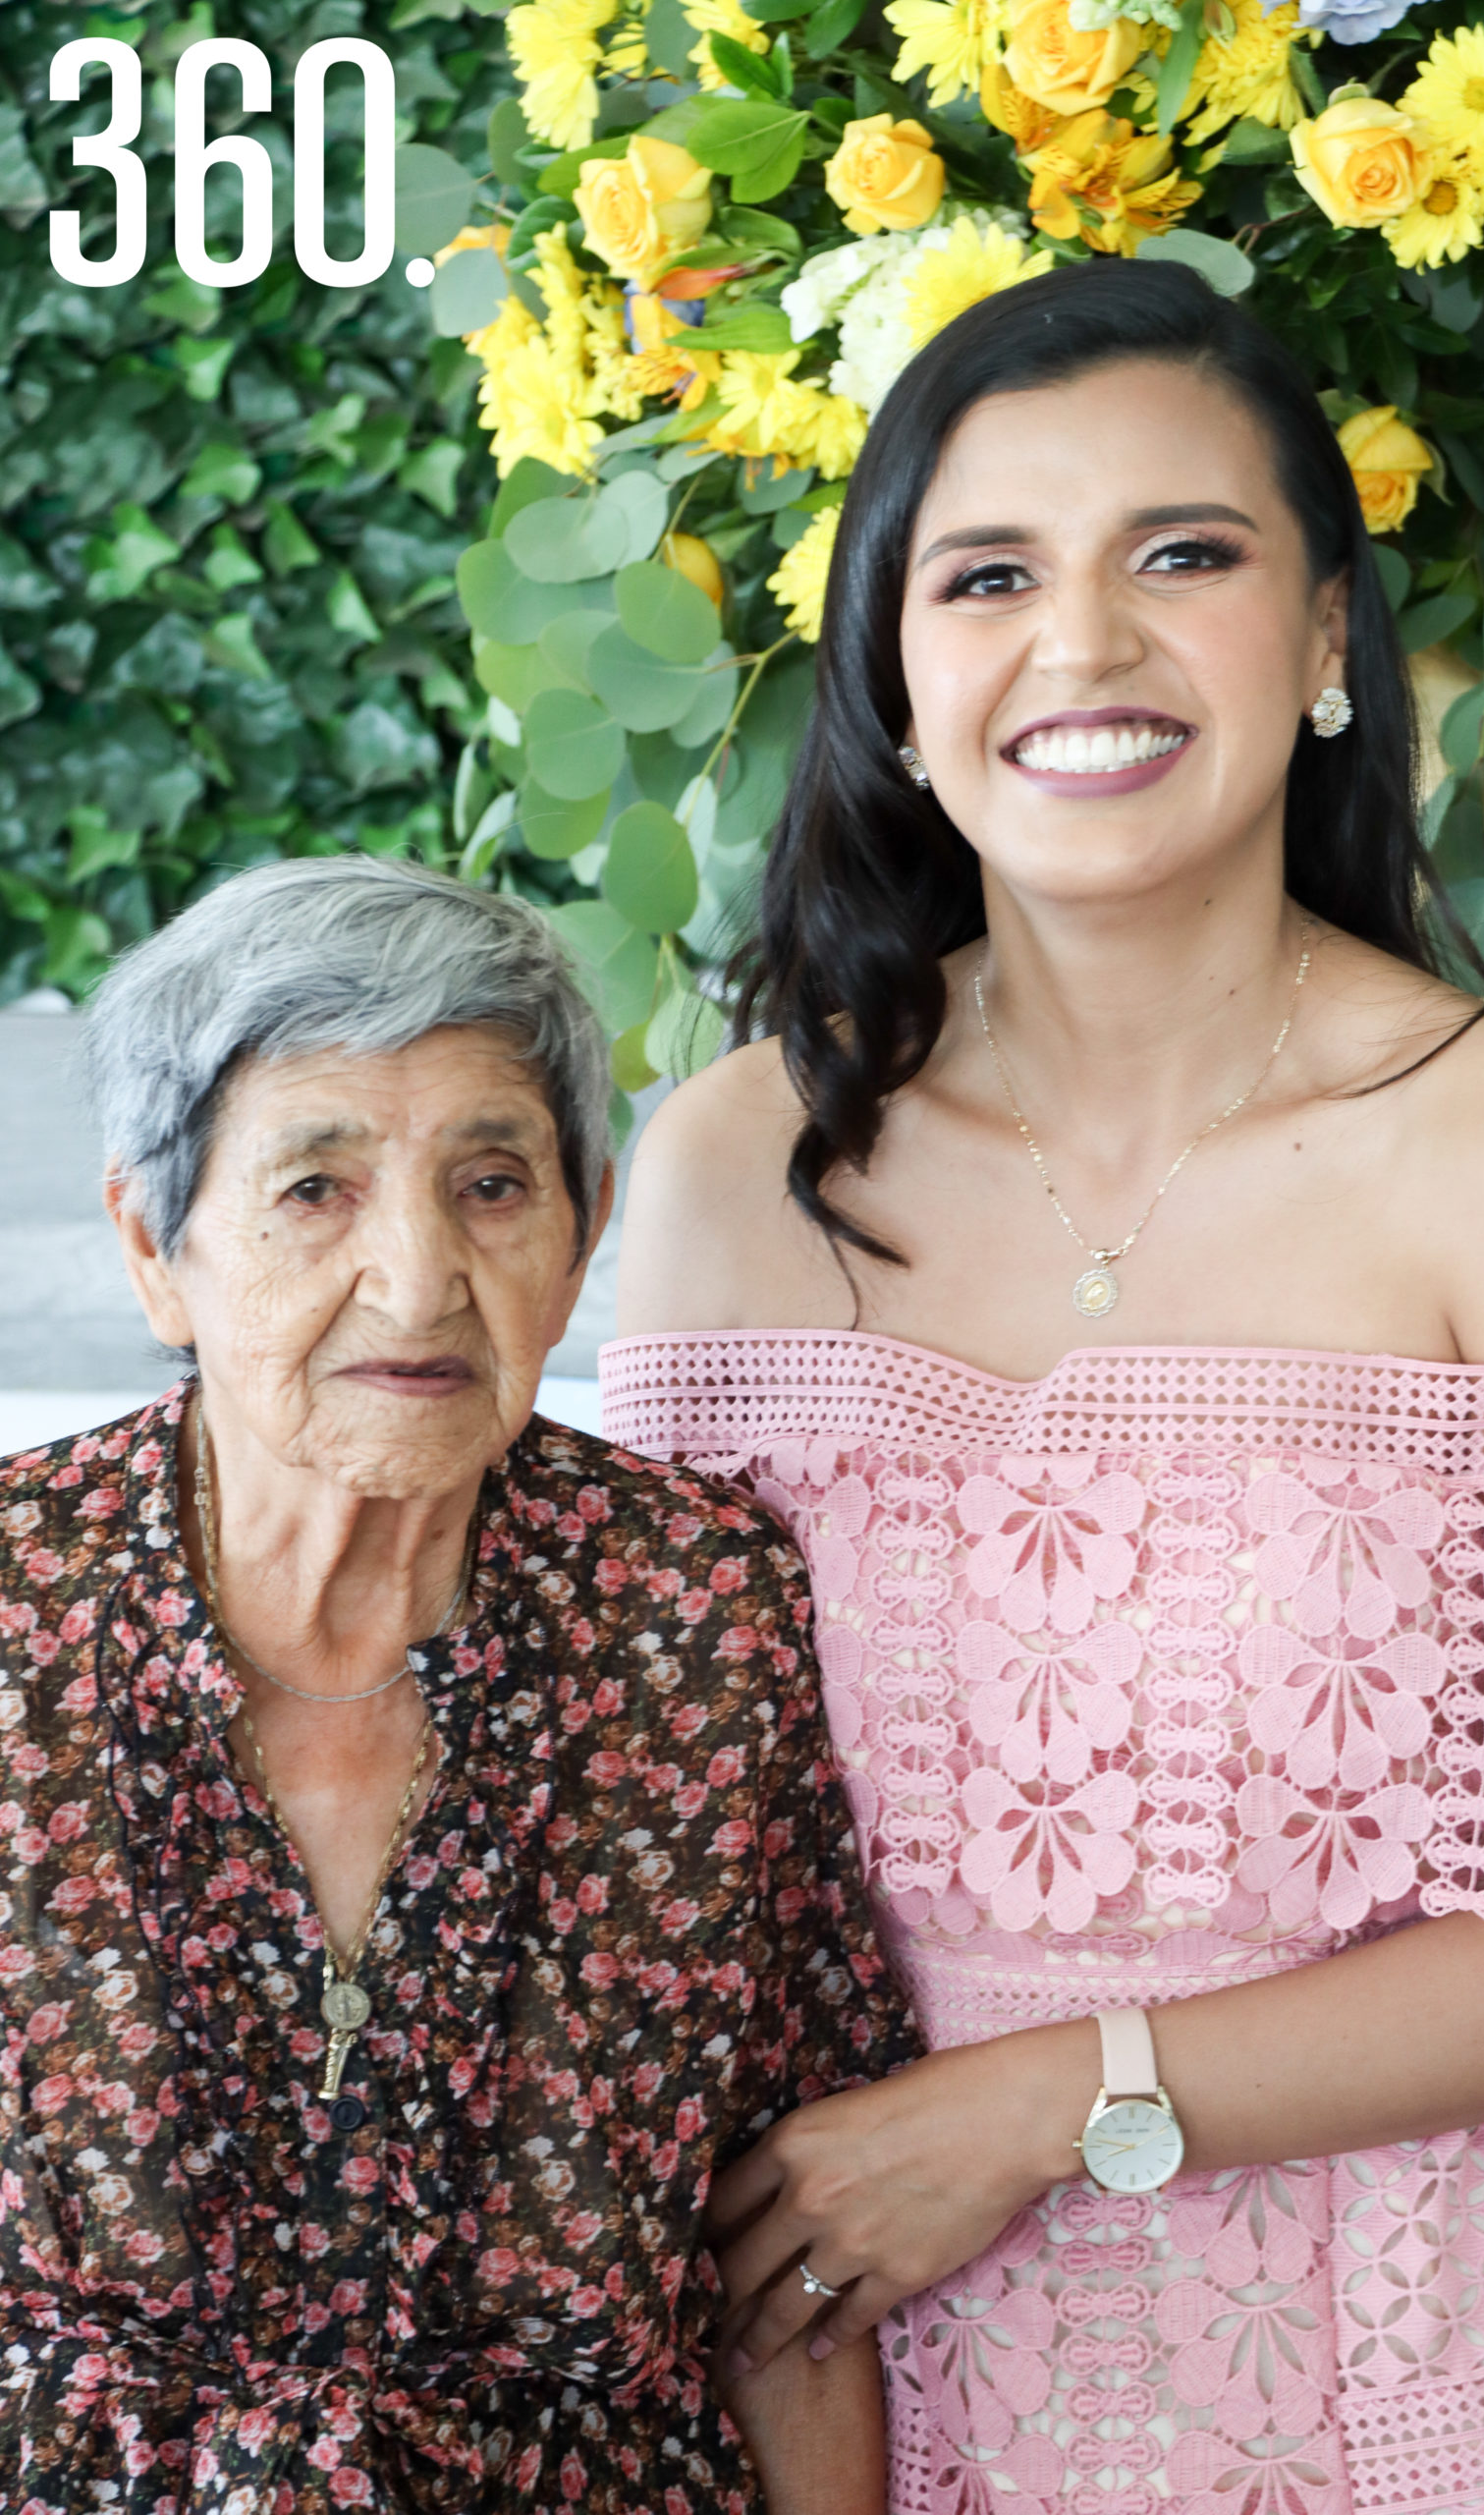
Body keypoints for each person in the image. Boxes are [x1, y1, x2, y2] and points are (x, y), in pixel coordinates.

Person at [603, 257, 1484, 2515]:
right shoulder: (730, 1166)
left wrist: (1049, 2095)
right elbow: (653, 1838)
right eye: (987, 574)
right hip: (872, 2395)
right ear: (895, 679)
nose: (1078, 645)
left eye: (1179, 555)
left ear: (1317, 650)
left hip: (1453, 2382)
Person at [0, 856, 915, 2514]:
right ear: (157, 1246)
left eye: (493, 1183)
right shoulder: (17, 1610)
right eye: (314, 1190)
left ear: (581, 1234)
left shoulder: (696, 1607)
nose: (419, 1280)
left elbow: (793, 2261)